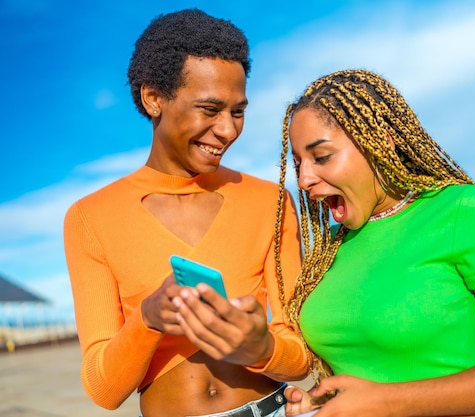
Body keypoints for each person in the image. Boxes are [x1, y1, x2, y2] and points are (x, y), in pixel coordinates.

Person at [272, 69, 475, 417]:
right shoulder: (329, 249)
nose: (303, 180)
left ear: (382, 142)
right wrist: (321, 399)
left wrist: (383, 402)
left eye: (321, 157)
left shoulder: (462, 211)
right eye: (299, 163)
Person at [64, 9, 307, 417]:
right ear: (153, 98)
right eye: (210, 109)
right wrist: (148, 319)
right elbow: (103, 390)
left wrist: (261, 347)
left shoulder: (273, 202)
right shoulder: (91, 218)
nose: (228, 130)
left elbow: (299, 357)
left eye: (238, 111)